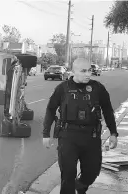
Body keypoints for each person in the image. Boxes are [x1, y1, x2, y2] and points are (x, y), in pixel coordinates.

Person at [42, 58, 119, 194]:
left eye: (89, 70)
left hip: (91, 137)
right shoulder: (63, 89)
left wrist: (113, 133)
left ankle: (81, 185)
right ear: (73, 72)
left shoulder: (97, 88)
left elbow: (107, 110)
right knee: (68, 175)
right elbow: (50, 109)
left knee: (92, 172)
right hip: (68, 137)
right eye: (83, 71)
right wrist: (46, 134)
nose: (88, 74)